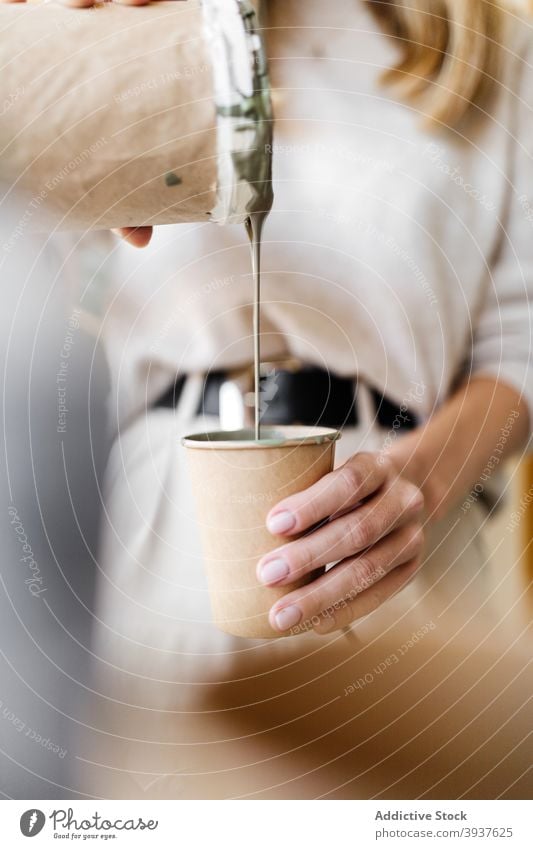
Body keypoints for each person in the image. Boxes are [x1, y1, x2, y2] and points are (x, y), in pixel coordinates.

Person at [2, 0, 532, 797]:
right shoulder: (102, 29)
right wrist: (50, 61)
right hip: (144, 553)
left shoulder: (496, 48)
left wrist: (417, 479)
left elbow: (519, 340)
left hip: (410, 562)